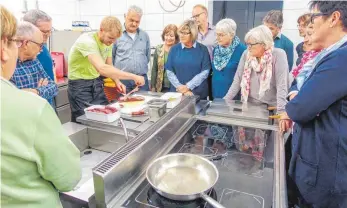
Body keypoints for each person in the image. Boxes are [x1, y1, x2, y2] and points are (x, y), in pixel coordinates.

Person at [1, 6, 81, 208]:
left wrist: (34, 91)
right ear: (4, 48)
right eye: (14, 42)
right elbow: (68, 177)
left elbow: (51, 86)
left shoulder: (36, 61)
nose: (43, 43)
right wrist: (32, 95)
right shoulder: (30, 109)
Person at [279, 1, 347, 207]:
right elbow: (300, 87)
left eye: (314, 17)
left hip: (325, 174)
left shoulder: (341, 59)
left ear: (333, 19)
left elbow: (301, 108)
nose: (310, 24)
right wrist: (297, 95)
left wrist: (294, 101)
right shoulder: (329, 55)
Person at [68, 16, 145, 122]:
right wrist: (133, 76)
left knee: (105, 117)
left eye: (115, 39)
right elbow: (102, 69)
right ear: (101, 30)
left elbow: (109, 66)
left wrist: (117, 81)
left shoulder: (107, 43)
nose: (112, 42)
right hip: (80, 86)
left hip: (96, 83)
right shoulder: (87, 41)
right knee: (84, 120)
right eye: (110, 38)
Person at [224, 25, 289, 113]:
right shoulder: (246, 54)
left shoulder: (279, 55)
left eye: (251, 44)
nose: (248, 47)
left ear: (264, 44)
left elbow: (282, 85)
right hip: (248, 105)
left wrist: (281, 111)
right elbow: (237, 80)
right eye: (247, 44)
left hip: (271, 108)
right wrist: (224, 102)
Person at [10, 21, 58, 107]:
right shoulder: (8, 65)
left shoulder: (34, 61)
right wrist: (41, 91)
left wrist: (37, 91)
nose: (41, 49)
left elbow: (53, 87)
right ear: (26, 43)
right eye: (40, 45)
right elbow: (12, 98)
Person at [165, 19, 211, 100]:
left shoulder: (203, 49)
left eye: (185, 33)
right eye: (180, 32)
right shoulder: (174, 49)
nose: (181, 35)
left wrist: (188, 86)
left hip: (197, 93)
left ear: (193, 34)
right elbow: (169, 71)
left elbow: (205, 72)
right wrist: (181, 88)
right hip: (177, 93)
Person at [112, 5, 151, 92]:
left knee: (144, 105)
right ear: (125, 16)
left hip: (141, 80)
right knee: (123, 105)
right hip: (123, 80)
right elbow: (111, 58)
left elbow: (147, 57)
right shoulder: (116, 35)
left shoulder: (144, 36)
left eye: (137, 21)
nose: (134, 24)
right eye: (131, 20)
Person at [212, 18, 246, 99]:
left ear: (231, 34)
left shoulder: (242, 51)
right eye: (217, 34)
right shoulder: (216, 50)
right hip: (216, 92)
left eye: (221, 35)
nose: (218, 38)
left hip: (233, 96)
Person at [192, 4, 216, 100]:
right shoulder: (192, 33)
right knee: (198, 99)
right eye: (194, 17)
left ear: (205, 14)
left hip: (213, 72)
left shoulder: (216, 31)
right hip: (197, 72)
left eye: (197, 15)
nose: (195, 19)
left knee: (213, 99)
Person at [23, 9, 54, 81]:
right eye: (44, 31)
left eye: (50, 31)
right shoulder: (17, 56)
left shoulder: (43, 49)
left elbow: (51, 78)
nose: (48, 35)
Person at [151, 24, 179, 92]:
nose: (168, 38)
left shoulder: (179, 50)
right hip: (160, 86)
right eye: (166, 35)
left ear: (176, 37)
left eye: (171, 36)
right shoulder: (158, 49)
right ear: (163, 36)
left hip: (176, 86)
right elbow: (154, 69)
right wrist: (153, 86)